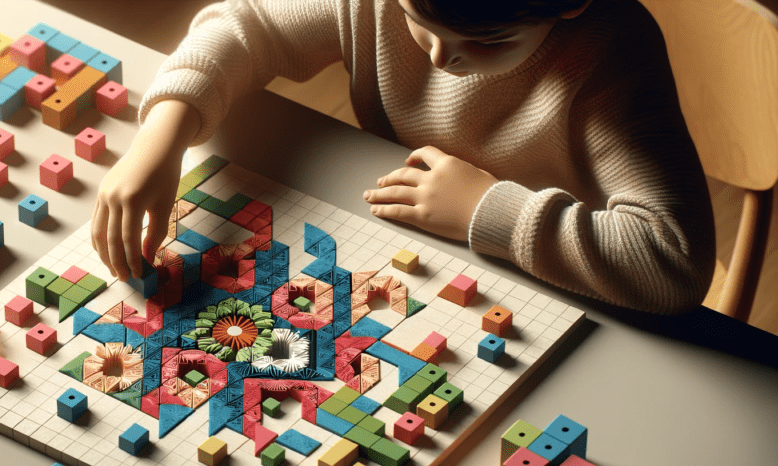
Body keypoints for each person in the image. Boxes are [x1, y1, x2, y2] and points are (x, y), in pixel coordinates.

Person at [91, 0, 715, 314]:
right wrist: (163, 135)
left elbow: (672, 262)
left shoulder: (611, 61)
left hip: (552, 288)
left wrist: (484, 207)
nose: (441, 59)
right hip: (416, 257)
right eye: (419, 21)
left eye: (485, 42)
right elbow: (248, 25)